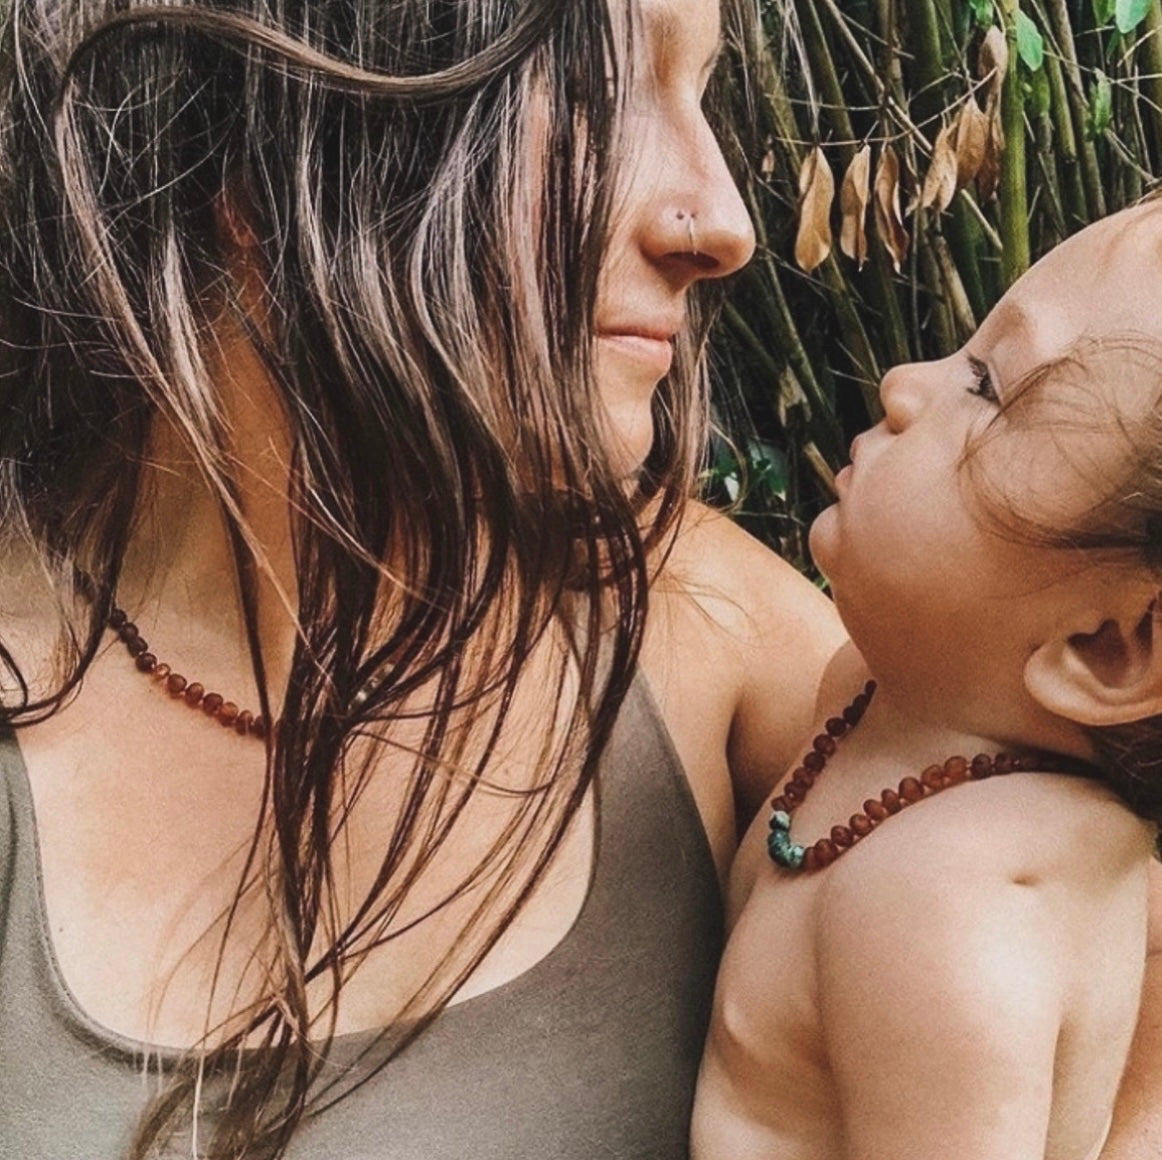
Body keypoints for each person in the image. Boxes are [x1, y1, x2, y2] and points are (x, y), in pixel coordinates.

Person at [0, 0, 847, 1157]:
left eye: (700, 96)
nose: (725, 224)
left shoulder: (704, 632)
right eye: (599, 89)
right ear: (266, 126)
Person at [691, 201, 1162, 1160]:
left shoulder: (944, 907)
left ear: (1107, 648)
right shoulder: (867, 691)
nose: (903, 384)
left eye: (985, 385)